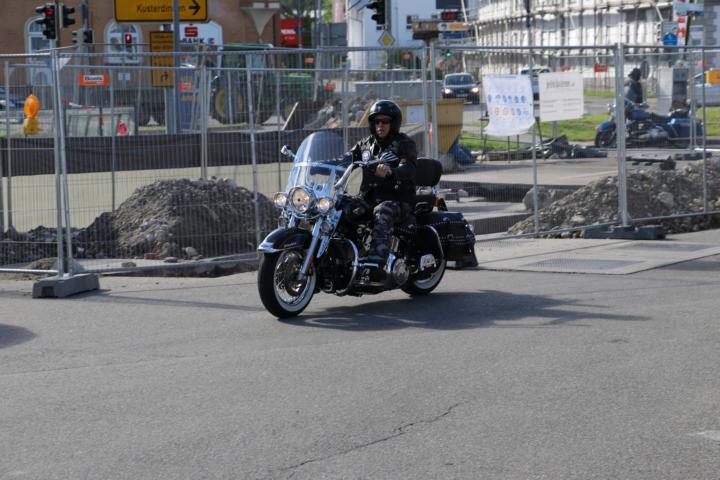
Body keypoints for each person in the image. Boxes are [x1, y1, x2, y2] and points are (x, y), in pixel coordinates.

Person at [349, 99, 417, 272]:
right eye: (377, 121)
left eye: (385, 121)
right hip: (370, 198)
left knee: (383, 210)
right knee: (343, 207)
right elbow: (345, 159)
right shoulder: (365, 145)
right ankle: (345, 257)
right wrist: (321, 165)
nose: (380, 125)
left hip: (399, 200)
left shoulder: (404, 144)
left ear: (393, 123)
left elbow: (409, 168)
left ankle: (375, 264)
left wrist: (391, 172)